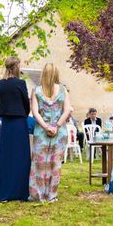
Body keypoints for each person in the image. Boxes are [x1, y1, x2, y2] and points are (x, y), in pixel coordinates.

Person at [29, 63, 71, 202]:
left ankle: (39, 194)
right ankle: (52, 195)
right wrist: (57, 126)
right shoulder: (63, 90)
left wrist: (46, 127)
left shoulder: (36, 90)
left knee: (39, 164)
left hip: (41, 131)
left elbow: (35, 112)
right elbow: (67, 110)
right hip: (60, 132)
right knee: (55, 164)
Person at [0, 57, 31, 201]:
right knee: (21, 157)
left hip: (6, 124)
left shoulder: (0, 84)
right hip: (19, 123)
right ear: (16, 67)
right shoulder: (20, 83)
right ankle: (20, 193)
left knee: (6, 158)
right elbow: (26, 104)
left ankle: (4, 193)